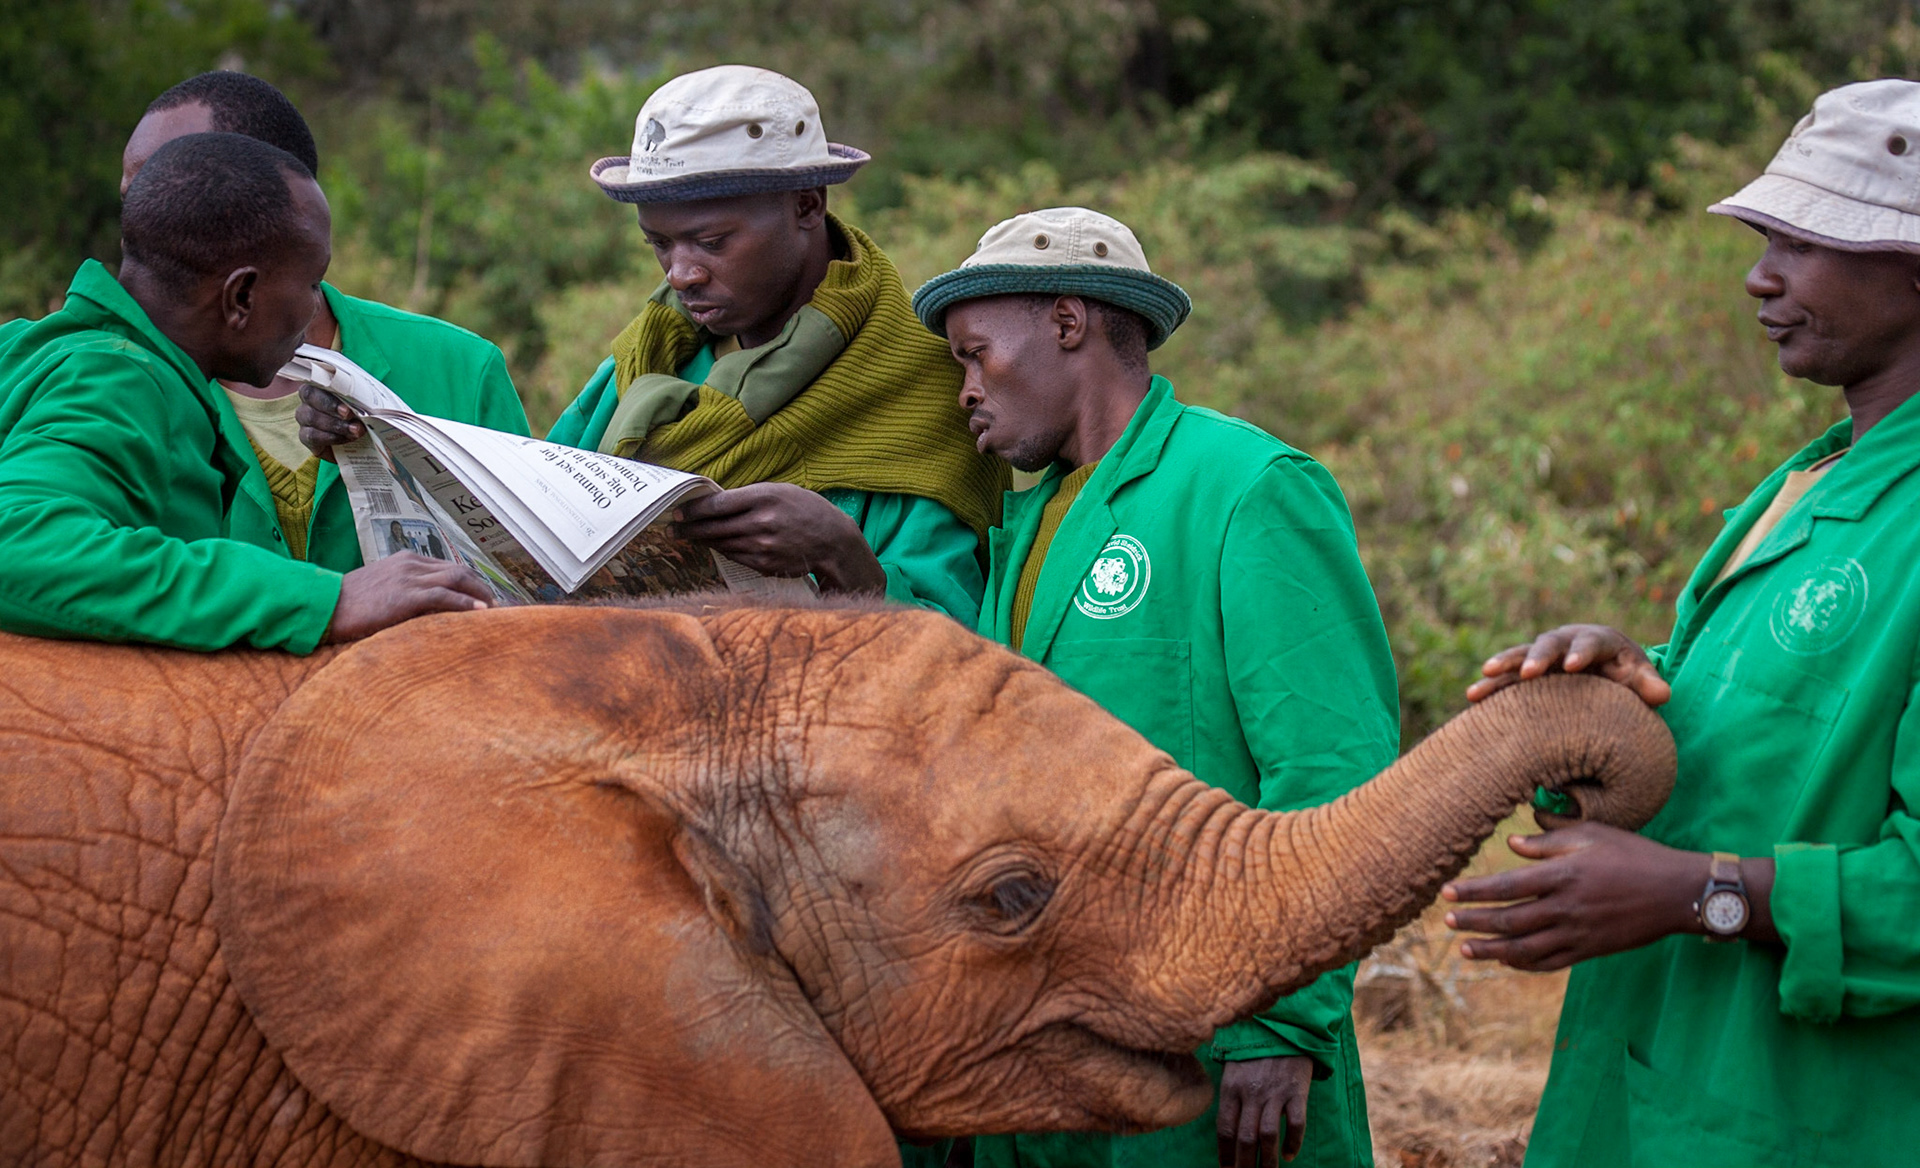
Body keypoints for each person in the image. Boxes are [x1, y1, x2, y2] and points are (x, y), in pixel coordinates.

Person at [1448, 79, 1920, 1167]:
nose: (1761, 276)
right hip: (1671, 1080)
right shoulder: (1809, 481)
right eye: (1767, 239)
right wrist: (1628, 696)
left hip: (1821, 1116)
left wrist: (1697, 893)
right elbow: (1783, 740)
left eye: (1804, 245)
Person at [913, 208, 1398, 1168]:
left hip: (1210, 1040)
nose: (965, 392)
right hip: (1043, 1037)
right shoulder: (1034, 519)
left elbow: (1332, 771)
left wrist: (1281, 1023)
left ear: (1065, 322)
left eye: (975, 355)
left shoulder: (1247, 485)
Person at [538, 65, 1006, 621]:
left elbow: (963, 650)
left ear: (807, 205)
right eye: (659, 244)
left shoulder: (928, 391)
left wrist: (844, 558)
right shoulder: (640, 366)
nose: (681, 273)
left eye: (712, 242)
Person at [0, 132, 490, 650]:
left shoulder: (49, 348)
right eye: (311, 283)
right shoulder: (119, 378)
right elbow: (19, 545)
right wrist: (327, 599)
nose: (315, 308)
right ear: (241, 296)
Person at [123, 71, 530, 567]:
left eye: (173, 189)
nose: (140, 224)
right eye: (132, 200)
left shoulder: (464, 371)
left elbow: (531, 589)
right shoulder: (111, 388)